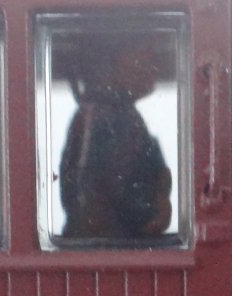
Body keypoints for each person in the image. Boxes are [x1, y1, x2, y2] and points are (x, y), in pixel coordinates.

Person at [59, 34, 173, 239]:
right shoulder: (103, 117)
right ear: (112, 63)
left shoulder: (122, 115)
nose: (154, 68)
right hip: (108, 248)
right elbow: (91, 202)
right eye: (146, 58)